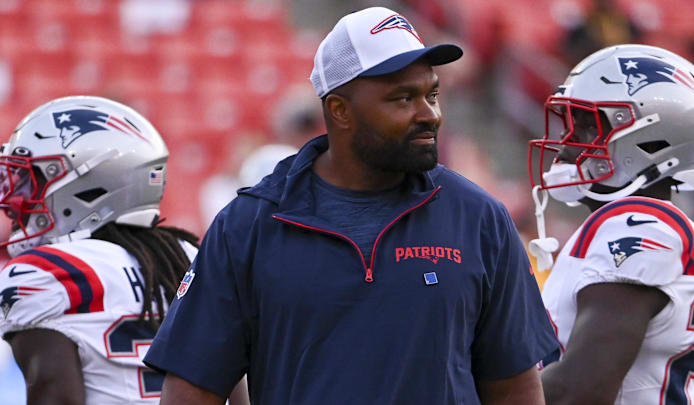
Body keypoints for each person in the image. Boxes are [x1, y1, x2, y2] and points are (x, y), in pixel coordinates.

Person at [144, 6, 558, 405]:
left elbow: (514, 389)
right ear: (340, 110)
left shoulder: (480, 218)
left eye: (432, 94)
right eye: (403, 99)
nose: (429, 114)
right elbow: (192, 389)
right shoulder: (248, 225)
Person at [527, 44, 694, 404]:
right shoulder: (631, 225)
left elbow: (581, 389)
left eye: (586, 127)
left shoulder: (640, 225)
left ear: (650, 141)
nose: (567, 145)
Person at [0, 96, 201, 404]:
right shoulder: (188, 257)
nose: (14, 201)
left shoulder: (45, 273)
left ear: (90, 185)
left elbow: (54, 396)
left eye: (32, 180)